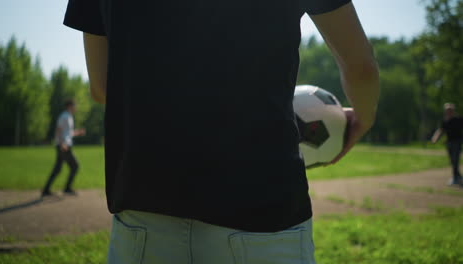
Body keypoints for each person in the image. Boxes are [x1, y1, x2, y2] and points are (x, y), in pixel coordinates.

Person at [63, 0, 379, 263]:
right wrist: (362, 118)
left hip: (143, 211)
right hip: (263, 211)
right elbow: (359, 65)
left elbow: (102, 86)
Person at [41, 99, 86, 197]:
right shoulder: (64, 116)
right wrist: (62, 144)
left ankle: (46, 190)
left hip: (64, 145)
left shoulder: (69, 117)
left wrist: (78, 132)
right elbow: (58, 130)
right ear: (70, 106)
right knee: (75, 166)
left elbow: (68, 133)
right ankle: (67, 188)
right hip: (64, 146)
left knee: (58, 168)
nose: (76, 107)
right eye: (75, 105)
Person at [432, 103, 463, 186]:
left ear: (453, 111)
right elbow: (440, 130)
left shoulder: (458, 119)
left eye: (450, 110)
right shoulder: (445, 121)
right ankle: (458, 176)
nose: (448, 112)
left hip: (457, 142)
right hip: (449, 143)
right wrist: (435, 138)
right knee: (452, 160)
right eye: (447, 110)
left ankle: (456, 177)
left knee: (455, 159)